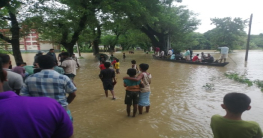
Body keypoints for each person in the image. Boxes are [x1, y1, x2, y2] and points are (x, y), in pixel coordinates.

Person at [0, 60, 74, 138]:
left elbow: (23, 95)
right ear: (5, 75)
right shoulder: (63, 78)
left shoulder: (30, 78)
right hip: (59, 110)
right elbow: (73, 93)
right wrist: (66, 102)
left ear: (39, 65)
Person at [21, 55, 77, 121]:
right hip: (60, 111)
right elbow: (73, 94)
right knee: (65, 130)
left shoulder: (29, 79)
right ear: (54, 64)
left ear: (38, 64)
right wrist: (65, 103)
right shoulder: (63, 78)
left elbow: (24, 97)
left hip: (39, 113)